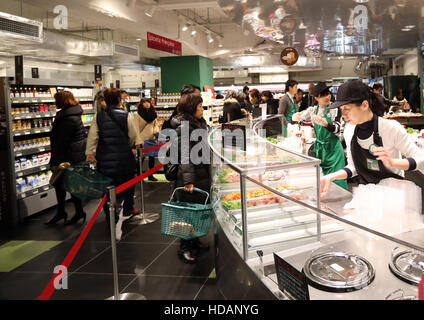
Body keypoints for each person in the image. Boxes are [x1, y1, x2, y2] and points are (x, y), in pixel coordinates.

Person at [320, 80, 424, 198]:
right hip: (368, 196)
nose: (343, 115)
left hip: (394, 197)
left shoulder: (390, 128)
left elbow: (421, 160)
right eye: (341, 109)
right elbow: (353, 167)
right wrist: (331, 176)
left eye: (347, 109)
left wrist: (393, 162)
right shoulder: (349, 131)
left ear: (364, 105)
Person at [86, 88, 139, 221]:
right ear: (118, 99)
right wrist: (126, 144)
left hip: (105, 158)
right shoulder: (126, 115)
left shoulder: (98, 116)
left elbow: (92, 137)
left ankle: (110, 212)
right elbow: (133, 136)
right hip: (124, 158)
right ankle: (127, 208)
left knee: (107, 188)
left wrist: (90, 153)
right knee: (128, 183)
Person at [171, 93, 211, 264]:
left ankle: (194, 241)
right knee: (187, 213)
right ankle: (184, 247)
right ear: (191, 108)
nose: (202, 109)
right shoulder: (185, 127)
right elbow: (184, 156)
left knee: (196, 210)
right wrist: (188, 181)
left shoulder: (199, 123)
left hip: (201, 173)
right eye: (200, 106)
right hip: (190, 176)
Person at [292, 82, 347, 189]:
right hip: (321, 150)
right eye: (323, 95)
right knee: (323, 182)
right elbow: (298, 117)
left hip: (334, 150)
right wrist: (295, 117)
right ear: (316, 98)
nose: (327, 97)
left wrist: (325, 124)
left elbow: (337, 129)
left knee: (337, 182)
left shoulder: (335, 109)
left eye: (328, 94)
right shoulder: (313, 111)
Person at [46, 91, 87, 225]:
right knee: (70, 184)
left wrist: (55, 161)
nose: (54, 102)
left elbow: (62, 142)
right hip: (74, 155)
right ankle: (74, 212)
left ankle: (67, 212)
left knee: (61, 184)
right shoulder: (72, 114)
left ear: (62, 101)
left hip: (68, 156)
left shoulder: (67, 118)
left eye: (56, 99)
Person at [134, 98, 160, 181]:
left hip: (151, 139)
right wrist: (138, 141)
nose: (147, 104)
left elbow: (155, 124)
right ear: (141, 104)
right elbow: (136, 129)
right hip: (142, 139)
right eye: (144, 102)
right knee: (141, 158)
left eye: (148, 102)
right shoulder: (137, 114)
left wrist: (156, 130)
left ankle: (150, 175)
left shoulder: (153, 114)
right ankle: (139, 176)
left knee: (151, 158)